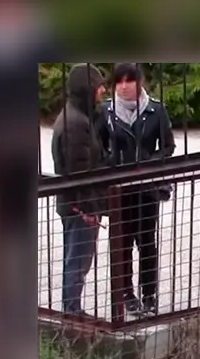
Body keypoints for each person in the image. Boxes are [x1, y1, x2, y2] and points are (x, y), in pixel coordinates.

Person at [98, 63, 175, 316]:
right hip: (119, 190)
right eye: (118, 81)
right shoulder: (106, 111)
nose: (122, 86)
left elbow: (168, 146)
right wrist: (110, 163)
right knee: (122, 244)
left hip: (146, 189)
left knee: (147, 242)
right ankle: (126, 293)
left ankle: (149, 293)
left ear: (138, 83)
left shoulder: (156, 111)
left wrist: (149, 164)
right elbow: (97, 146)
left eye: (128, 81)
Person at [52, 63, 109, 316]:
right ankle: (72, 311)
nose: (103, 90)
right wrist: (88, 208)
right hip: (79, 205)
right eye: (99, 86)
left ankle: (71, 308)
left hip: (73, 203)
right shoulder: (76, 123)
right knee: (79, 258)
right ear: (87, 89)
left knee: (75, 257)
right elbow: (80, 171)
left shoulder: (76, 116)